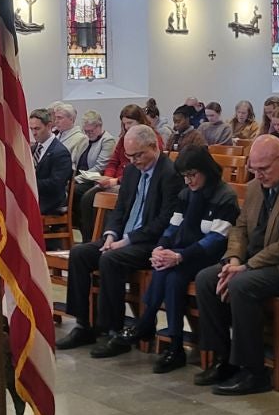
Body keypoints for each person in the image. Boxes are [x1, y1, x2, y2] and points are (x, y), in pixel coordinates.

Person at [192, 135, 279, 395]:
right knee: (207, 279)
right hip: (258, 263)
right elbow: (240, 228)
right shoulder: (255, 186)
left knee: (242, 284)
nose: (258, 175)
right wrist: (233, 260)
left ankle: (253, 371)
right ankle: (224, 358)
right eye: (254, 169)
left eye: (264, 169)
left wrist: (244, 268)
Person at [58, 125, 181, 356]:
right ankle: (84, 324)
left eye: (139, 155)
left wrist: (126, 240)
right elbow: (121, 208)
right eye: (129, 156)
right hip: (123, 238)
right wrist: (111, 234)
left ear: (154, 147)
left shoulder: (170, 174)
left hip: (151, 243)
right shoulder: (132, 171)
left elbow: (165, 220)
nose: (134, 161)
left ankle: (113, 330)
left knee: (111, 260)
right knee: (80, 253)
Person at [140, 145, 241, 374]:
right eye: (185, 177)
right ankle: (172, 344)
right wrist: (161, 248)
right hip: (185, 253)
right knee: (163, 270)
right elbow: (173, 226)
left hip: (210, 257)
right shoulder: (186, 194)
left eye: (192, 175)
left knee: (173, 277)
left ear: (206, 170)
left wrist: (179, 255)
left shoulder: (225, 196)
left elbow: (216, 239)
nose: (188, 181)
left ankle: (150, 325)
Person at [73, 103, 145, 241]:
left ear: (140, 121)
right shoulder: (123, 139)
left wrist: (116, 180)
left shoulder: (147, 138)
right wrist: (108, 177)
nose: (127, 127)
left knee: (102, 199)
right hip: (115, 179)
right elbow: (113, 162)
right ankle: (89, 240)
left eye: (130, 123)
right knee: (88, 198)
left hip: (129, 181)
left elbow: (138, 169)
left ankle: (106, 238)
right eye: (124, 124)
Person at [28, 108, 73, 218]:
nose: (34, 133)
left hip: (50, 201)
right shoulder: (34, 148)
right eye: (31, 129)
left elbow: (56, 184)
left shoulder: (60, 152)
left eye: (37, 129)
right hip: (35, 196)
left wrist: (30, 183)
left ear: (49, 126)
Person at [71, 110, 117, 179]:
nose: (88, 134)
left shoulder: (107, 141)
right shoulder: (84, 139)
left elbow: (100, 168)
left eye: (91, 131)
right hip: (78, 177)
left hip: (92, 180)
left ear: (100, 126)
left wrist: (78, 178)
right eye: (86, 131)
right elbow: (74, 160)